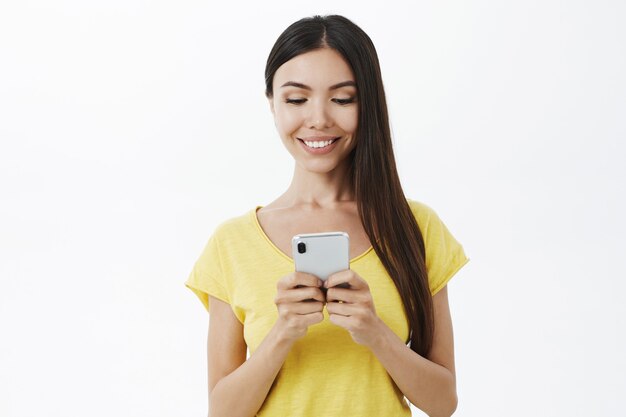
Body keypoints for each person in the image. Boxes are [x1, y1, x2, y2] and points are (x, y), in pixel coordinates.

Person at [185, 14, 469, 417]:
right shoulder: (232, 243)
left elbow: (443, 403)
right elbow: (222, 411)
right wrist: (283, 333)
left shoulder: (416, 228)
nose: (318, 118)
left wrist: (373, 331)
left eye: (342, 98)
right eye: (297, 99)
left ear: (368, 103)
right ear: (272, 104)